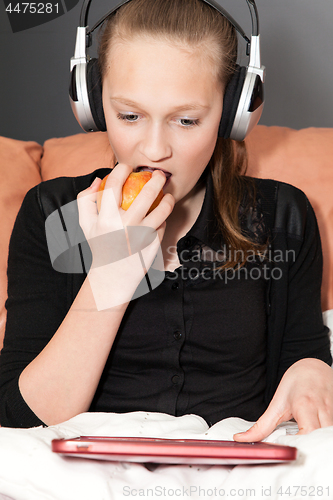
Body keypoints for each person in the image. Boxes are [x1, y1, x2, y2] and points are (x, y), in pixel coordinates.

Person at [0, 0, 332, 440]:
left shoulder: (284, 216)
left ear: (233, 113)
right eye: (130, 115)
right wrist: (112, 272)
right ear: (94, 106)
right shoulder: (50, 212)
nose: (154, 149)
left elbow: (303, 354)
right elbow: (19, 420)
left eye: (187, 120)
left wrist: (312, 370)